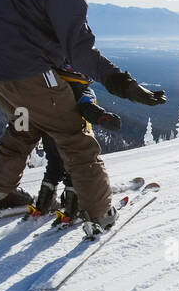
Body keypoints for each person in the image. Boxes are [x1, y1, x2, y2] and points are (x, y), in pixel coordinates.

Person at [0, 0, 166, 236]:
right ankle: (98, 212)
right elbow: (80, 50)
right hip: (22, 69)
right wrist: (122, 83)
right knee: (73, 135)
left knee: (25, 121)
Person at [32, 65, 120, 218]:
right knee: (76, 169)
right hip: (72, 137)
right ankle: (72, 208)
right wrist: (103, 117)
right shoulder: (81, 89)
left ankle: (42, 203)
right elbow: (87, 107)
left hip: (49, 135)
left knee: (54, 167)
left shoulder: (52, 87)